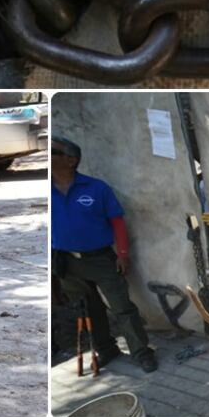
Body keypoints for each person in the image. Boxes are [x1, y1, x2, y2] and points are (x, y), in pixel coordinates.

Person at [50, 135, 158, 373]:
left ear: (71, 160)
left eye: (53, 151)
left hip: (100, 259)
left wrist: (122, 253)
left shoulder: (96, 188)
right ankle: (106, 349)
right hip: (67, 262)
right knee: (88, 310)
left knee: (122, 308)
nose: (48, 154)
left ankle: (141, 352)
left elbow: (117, 222)